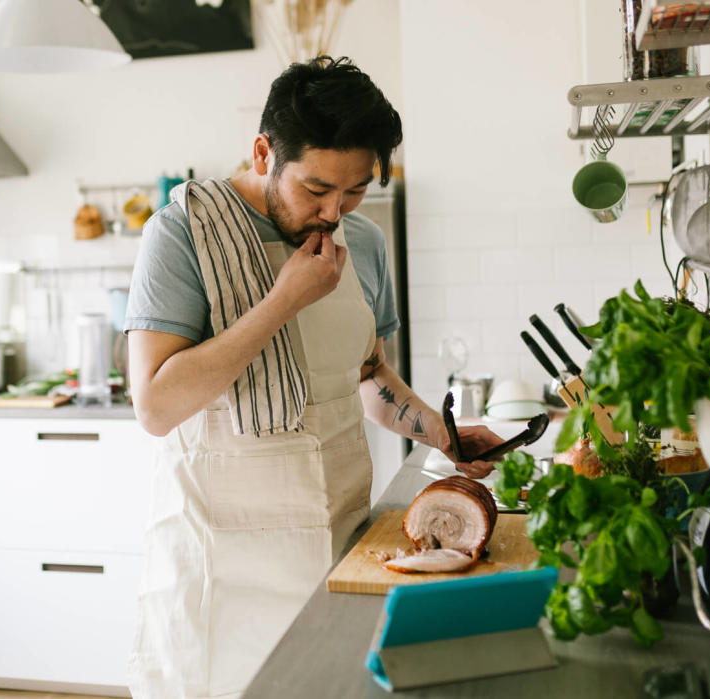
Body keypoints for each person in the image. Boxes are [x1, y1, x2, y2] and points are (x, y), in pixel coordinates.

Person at [123, 56, 507, 699]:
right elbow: (156, 405)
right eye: (316, 189)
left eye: (354, 191)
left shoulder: (364, 241)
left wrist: (441, 433)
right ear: (264, 151)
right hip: (221, 575)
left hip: (340, 549)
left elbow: (368, 376)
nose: (333, 212)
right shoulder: (181, 232)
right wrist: (283, 302)